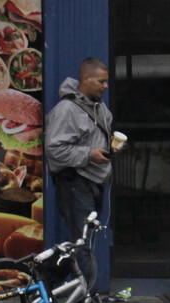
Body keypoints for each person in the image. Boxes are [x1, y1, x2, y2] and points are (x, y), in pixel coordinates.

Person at [45, 57, 121, 290]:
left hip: (94, 182)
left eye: (106, 82)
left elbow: (93, 139)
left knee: (80, 244)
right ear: (85, 79)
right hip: (76, 184)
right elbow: (54, 150)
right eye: (101, 81)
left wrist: (110, 146)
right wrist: (89, 155)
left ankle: (46, 285)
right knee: (82, 246)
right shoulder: (66, 110)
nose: (105, 86)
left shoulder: (99, 107)